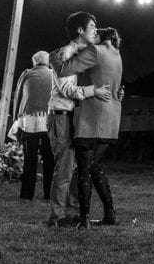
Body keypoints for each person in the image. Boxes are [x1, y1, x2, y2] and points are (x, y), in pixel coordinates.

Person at [47, 13, 113, 228]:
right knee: (64, 167)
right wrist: (93, 90)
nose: (96, 30)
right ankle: (57, 217)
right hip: (61, 116)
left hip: (76, 117)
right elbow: (67, 89)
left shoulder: (84, 54)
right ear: (79, 30)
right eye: (92, 26)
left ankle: (72, 211)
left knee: (78, 166)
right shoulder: (64, 54)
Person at [59, 25, 124, 229]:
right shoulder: (117, 55)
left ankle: (84, 218)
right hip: (112, 118)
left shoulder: (96, 51)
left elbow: (66, 67)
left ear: (99, 38)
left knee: (85, 169)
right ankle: (110, 214)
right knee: (94, 167)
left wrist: (68, 49)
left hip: (92, 117)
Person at [12, 51, 56, 201]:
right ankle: (49, 194)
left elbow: (18, 97)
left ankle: (26, 194)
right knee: (49, 159)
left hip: (28, 122)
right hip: (49, 120)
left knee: (30, 159)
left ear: (34, 62)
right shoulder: (53, 74)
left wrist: (16, 118)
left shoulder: (26, 74)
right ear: (48, 61)